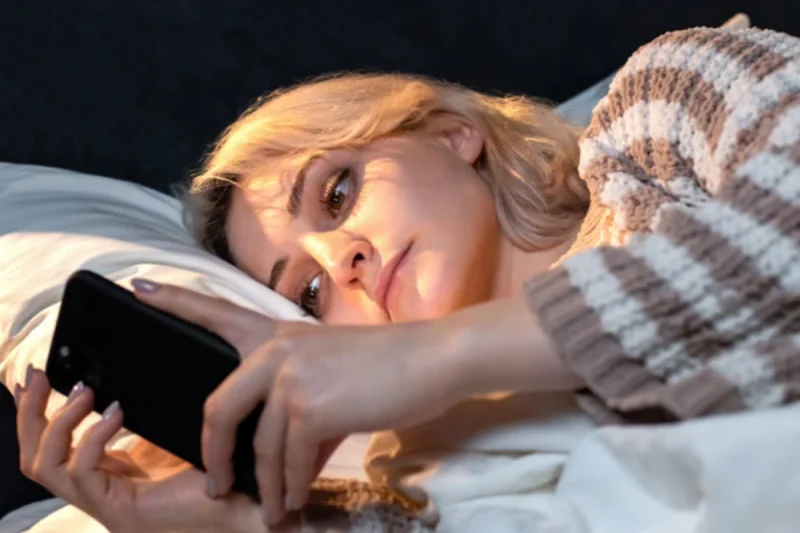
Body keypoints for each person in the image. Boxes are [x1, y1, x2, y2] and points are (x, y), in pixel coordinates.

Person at [14, 25, 800, 532]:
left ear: (451, 133)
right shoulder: (419, 470)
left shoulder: (655, 114)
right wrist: (248, 525)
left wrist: (440, 356)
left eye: (337, 193)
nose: (342, 260)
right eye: (308, 295)